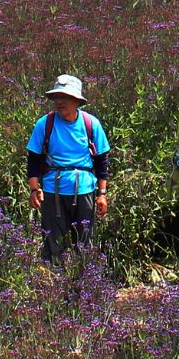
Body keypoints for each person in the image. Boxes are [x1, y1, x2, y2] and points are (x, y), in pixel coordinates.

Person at [26, 74, 112, 261]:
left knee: (83, 241)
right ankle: (53, 283)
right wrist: (34, 189)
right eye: (57, 97)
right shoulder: (44, 124)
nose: (59, 101)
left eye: (65, 97)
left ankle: (82, 283)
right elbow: (33, 159)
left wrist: (102, 194)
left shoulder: (91, 124)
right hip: (52, 191)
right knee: (52, 240)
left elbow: (102, 161)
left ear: (76, 101)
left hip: (84, 190)